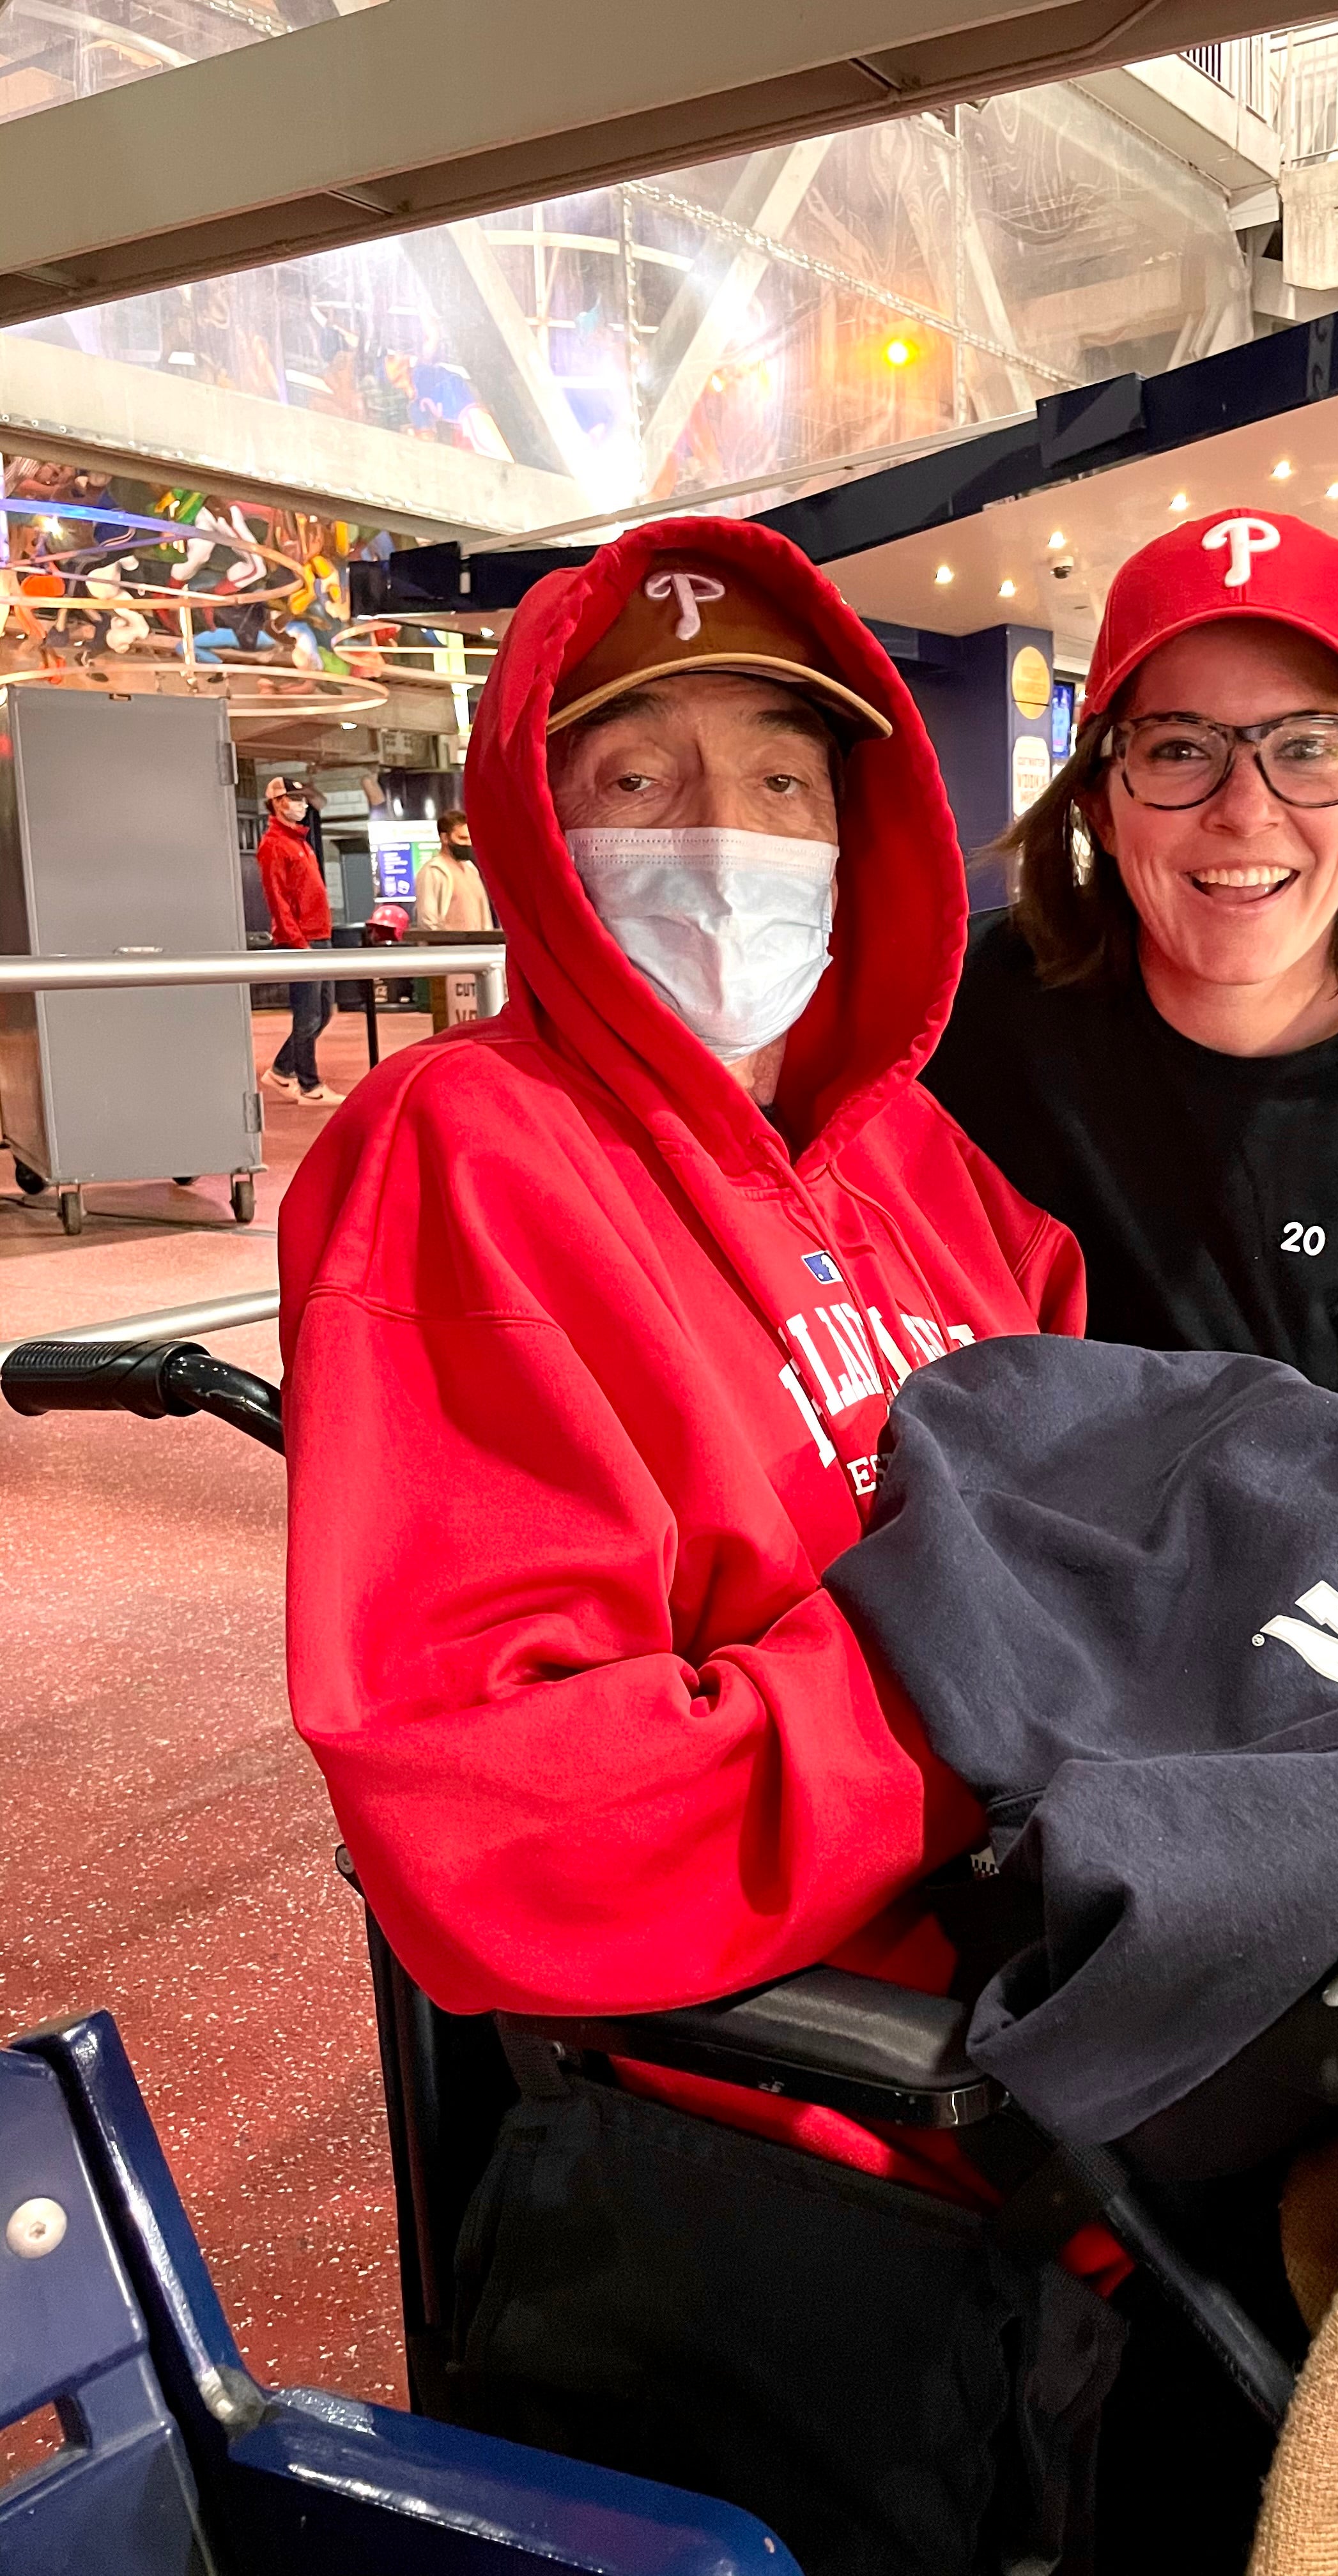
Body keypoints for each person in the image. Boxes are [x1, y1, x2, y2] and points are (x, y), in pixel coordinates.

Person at [275, 519, 1102, 2570]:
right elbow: (507, 1818)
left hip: (1083, 2002)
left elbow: (1107, 1523)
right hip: (822, 2133)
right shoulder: (461, 1157)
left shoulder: (926, 1169)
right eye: (636, 776)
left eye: (785, 779)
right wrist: (970, 1700)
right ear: (535, 834)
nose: (723, 832)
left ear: (868, 828)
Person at [924, 510, 1338, 1479]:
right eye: (1180, 747)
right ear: (1102, 804)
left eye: (1311, 746)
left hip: (1332, 1613)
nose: (1243, 810)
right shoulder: (955, 1017)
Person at [256, 773, 342, 1105]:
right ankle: (310, 1086)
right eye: (296, 799)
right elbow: (277, 900)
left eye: (304, 800)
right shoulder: (274, 846)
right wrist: (298, 943)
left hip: (319, 937)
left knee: (322, 1011)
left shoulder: (299, 842)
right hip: (303, 941)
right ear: (278, 803)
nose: (302, 805)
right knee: (308, 1016)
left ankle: (281, 1069)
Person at [413, 804, 493, 931]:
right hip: (449, 948)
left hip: (477, 947)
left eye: (471, 838)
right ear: (445, 838)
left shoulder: (471, 870)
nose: (469, 844)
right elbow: (428, 922)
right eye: (462, 838)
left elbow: (485, 918)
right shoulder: (433, 872)